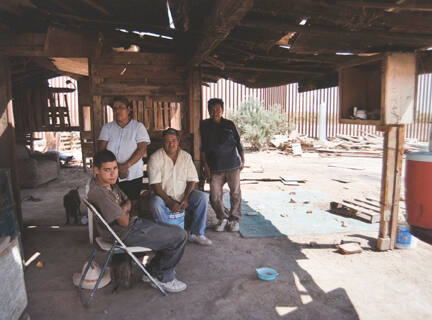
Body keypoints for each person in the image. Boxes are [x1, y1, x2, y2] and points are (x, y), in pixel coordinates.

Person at [87, 149, 188, 293]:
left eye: (115, 168)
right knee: (180, 236)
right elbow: (124, 221)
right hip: (123, 234)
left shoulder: (108, 183)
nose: (113, 173)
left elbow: (128, 201)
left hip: (131, 225)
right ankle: (164, 277)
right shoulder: (100, 193)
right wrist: (125, 208)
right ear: (96, 169)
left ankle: (153, 271)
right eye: (107, 170)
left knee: (173, 231)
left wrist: (123, 207)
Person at [147, 128, 212, 246]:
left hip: (183, 196)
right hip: (163, 197)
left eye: (173, 140)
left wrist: (186, 198)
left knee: (202, 197)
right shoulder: (155, 158)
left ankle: (196, 233)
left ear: (178, 141)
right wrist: (169, 202)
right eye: (167, 141)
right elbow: (155, 185)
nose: (171, 144)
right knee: (155, 203)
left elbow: (192, 180)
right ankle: (166, 236)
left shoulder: (186, 157)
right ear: (163, 142)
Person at [200, 98, 245, 232]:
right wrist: (206, 167)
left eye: (218, 110)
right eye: (212, 110)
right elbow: (202, 149)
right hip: (215, 168)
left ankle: (234, 219)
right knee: (214, 196)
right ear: (208, 111)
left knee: (235, 193)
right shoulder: (204, 125)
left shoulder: (229, 124)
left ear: (222, 110)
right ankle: (223, 217)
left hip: (232, 165)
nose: (215, 112)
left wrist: (243, 160)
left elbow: (238, 143)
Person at [97, 96, 150, 201]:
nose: (118, 111)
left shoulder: (138, 127)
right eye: (115, 108)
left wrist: (126, 166)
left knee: (132, 202)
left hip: (133, 173)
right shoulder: (107, 128)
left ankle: (132, 217)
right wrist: (115, 168)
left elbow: (142, 149)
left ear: (129, 109)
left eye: (121, 108)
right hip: (110, 173)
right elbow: (101, 150)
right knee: (112, 203)